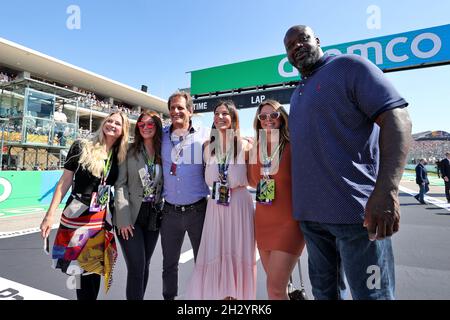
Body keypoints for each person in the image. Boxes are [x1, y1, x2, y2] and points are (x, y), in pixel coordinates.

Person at [284, 25, 412, 300]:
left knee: (373, 295)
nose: (297, 46)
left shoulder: (350, 67)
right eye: (290, 45)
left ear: (318, 41)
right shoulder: (297, 94)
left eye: (303, 39)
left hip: (358, 218)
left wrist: (387, 190)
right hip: (312, 222)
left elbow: (397, 119)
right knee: (324, 295)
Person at [40, 111, 129, 300]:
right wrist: (49, 215)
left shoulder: (120, 154)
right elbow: (64, 181)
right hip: (76, 216)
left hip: (101, 219)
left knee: (95, 269)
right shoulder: (81, 146)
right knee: (77, 270)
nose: (112, 125)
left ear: (123, 130)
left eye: (117, 123)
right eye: (109, 120)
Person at [185, 100, 256, 300]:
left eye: (225, 113)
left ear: (234, 118)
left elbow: (254, 179)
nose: (220, 117)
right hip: (216, 206)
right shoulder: (208, 147)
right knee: (215, 255)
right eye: (217, 113)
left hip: (239, 205)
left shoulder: (245, 145)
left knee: (237, 255)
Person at [247, 99, 304, 300]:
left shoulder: (293, 145)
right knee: (278, 289)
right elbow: (253, 181)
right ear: (258, 120)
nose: (268, 119)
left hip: (289, 223)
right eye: (263, 116)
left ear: (282, 118)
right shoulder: (255, 148)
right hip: (263, 223)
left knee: (275, 289)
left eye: (274, 115)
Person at [160, 91, 210, 300]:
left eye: (180, 107)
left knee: (203, 264)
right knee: (169, 266)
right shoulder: (160, 135)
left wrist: (244, 141)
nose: (175, 111)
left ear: (191, 110)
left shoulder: (206, 134)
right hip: (169, 212)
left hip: (198, 211)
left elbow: (229, 147)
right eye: (172, 108)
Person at [114, 111, 164, 300]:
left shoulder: (162, 152)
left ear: (157, 126)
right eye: (141, 124)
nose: (145, 127)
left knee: (145, 265)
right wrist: (123, 218)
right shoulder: (129, 150)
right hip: (130, 215)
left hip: (153, 216)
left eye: (150, 124)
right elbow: (120, 184)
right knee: (136, 266)